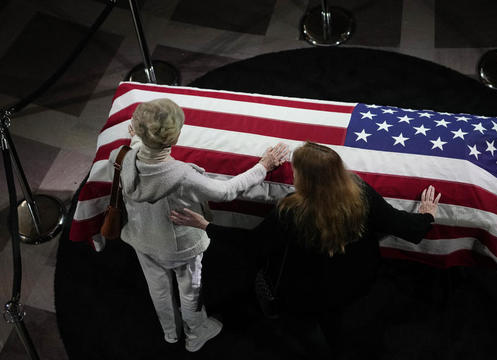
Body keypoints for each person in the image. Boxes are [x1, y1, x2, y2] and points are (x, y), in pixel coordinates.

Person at [170, 141, 441, 358]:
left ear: (306, 181)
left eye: (296, 170)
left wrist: (205, 225)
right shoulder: (360, 191)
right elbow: (410, 229)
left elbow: (252, 246)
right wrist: (427, 215)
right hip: (357, 280)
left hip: (305, 291)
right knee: (337, 331)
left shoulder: (292, 209)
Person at [108, 98, 288, 352]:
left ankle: (170, 333)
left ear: (138, 131)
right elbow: (225, 191)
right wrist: (263, 166)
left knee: (157, 289)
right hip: (179, 246)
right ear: (175, 138)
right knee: (190, 289)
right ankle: (196, 332)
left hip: (141, 238)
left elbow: (140, 158)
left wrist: (138, 140)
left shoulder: (119, 157)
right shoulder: (182, 175)